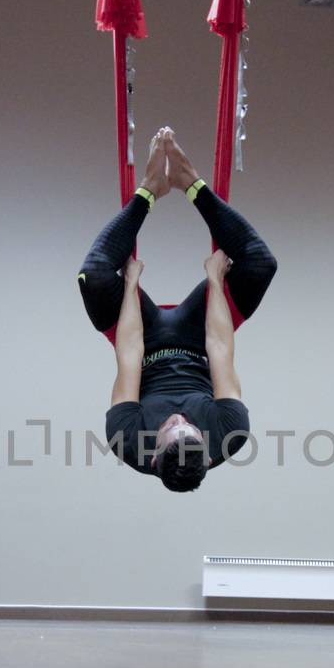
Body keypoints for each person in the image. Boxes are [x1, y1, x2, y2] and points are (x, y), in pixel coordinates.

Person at [79, 128, 277, 492]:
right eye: (189, 426)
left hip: (143, 342)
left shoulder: (128, 440)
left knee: (93, 276)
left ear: (154, 455)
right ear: (205, 449)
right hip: (199, 338)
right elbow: (219, 346)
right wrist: (216, 278)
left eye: (171, 427)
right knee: (260, 264)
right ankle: (191, 184)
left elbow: (130, 351)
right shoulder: (228, 433)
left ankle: (148, 192)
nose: (178, 418)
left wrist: (131, 286)